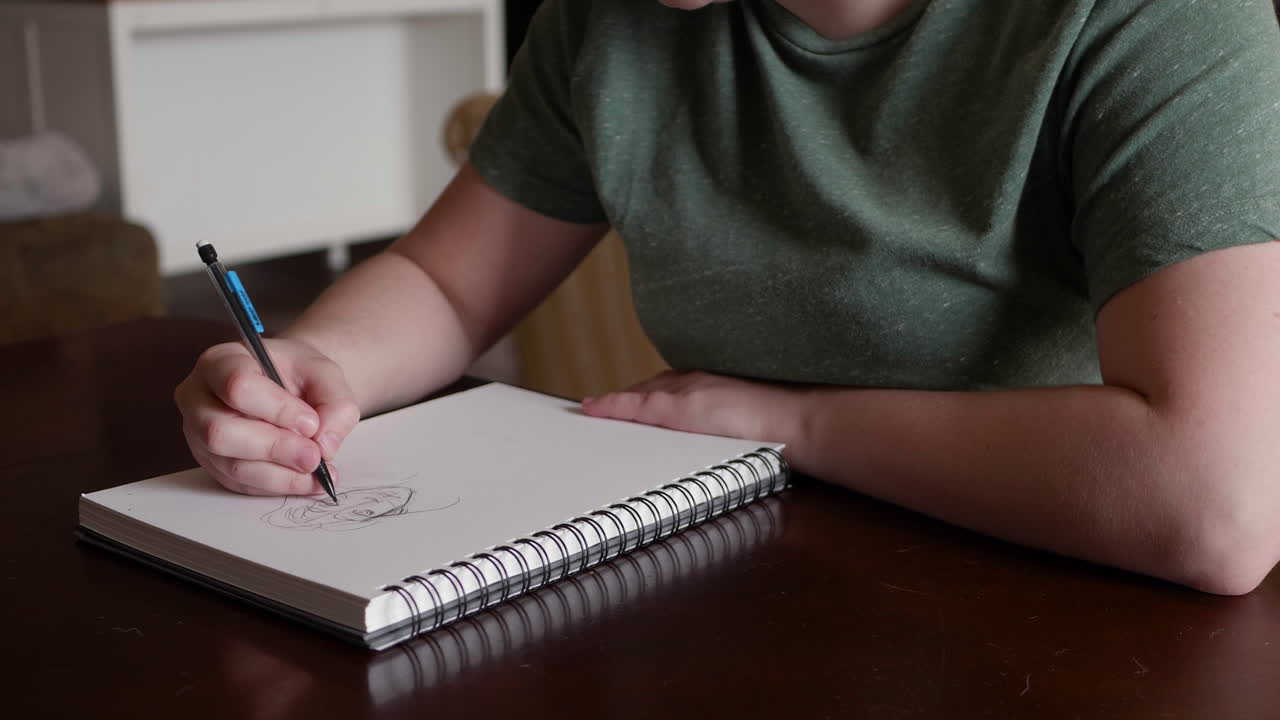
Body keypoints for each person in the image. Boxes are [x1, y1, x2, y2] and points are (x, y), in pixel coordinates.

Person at [175, 0, 1280, 595]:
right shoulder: (610, 24)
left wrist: (785, 421)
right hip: (742, 585)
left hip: (1072, 609)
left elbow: (1214, 502)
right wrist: (321, 361)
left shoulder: (1157, 19)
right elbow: (443, 280)